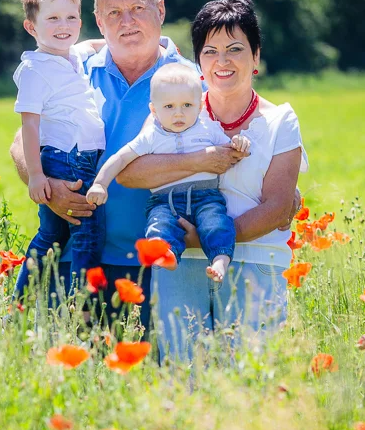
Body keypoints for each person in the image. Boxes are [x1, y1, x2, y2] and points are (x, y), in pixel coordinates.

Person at [10, 0, 208, 332]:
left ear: (160, 11)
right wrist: (50, 190)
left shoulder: (193, 82)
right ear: (99, 21)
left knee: (151, 377)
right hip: (76, 259)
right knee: (73, 379)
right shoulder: (72, 67)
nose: (127, 21)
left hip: (163, 263)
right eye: (114, 12)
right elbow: (20, 143)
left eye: (138, 8)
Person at [117, 0, 308, 360]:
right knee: (183, 371)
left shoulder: (281, 120)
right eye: (210, 51)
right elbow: (130, 172)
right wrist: (202, 160)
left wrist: (208, 239)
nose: (222, 61)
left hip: (256, 261)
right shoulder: (175, 109)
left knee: (251, 377)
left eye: (235, 49)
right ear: (198, 62)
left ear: (256, 56)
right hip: (180, 265)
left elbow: (279, 205)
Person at [86, 63, 250, 282]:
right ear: (154, 110)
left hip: (206, 196)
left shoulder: (207, 127)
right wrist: (100, 184)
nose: (179, 113)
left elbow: (230, 151)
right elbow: (121, 158)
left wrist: (239, 143)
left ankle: (220, 259)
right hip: (165, 200)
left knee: (216, 222)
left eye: (187, 105)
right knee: (159, 223)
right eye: (169, 106)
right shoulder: (151, 135)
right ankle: (167, 253)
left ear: (200, 106)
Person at [11, 0, 106, 299]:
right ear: (31, 27)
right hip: (67, 160)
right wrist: (36, 176)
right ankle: (82, 309)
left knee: (51, 236)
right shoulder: (36, 69)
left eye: (71, 17)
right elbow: (30, 126)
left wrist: (154, 41)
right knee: (88, 234)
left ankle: (19, 305)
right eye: (52, 18)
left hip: (79, 157)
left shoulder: (71, 54)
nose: (63, 25)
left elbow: (93, 44)